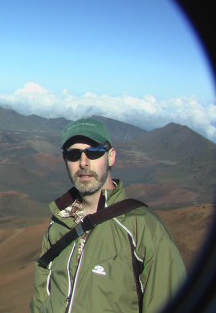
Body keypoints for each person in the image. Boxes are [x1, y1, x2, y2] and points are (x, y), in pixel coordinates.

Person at [30, 118, 186, 313]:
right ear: (65, 160)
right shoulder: (58, 225)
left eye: (94, 152)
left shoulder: (145, 230)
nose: (83, 162)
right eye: (73, 154)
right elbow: (42, 298)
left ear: (111, 157)